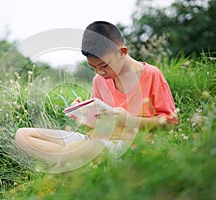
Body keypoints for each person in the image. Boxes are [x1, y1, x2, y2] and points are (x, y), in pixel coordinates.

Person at [14, 21, 178, 172]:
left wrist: (130, 119)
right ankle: (70, 161)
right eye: (92, 67)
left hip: (126, 146)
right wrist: (84, 115)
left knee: (90, 148)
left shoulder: (151, 75)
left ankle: (66, 163)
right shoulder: (99, 81)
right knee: (23, 135)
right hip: (93, 141)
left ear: (122, 52)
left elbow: (170, 122)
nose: (99, 72)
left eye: (104, 65)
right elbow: (97, 127)